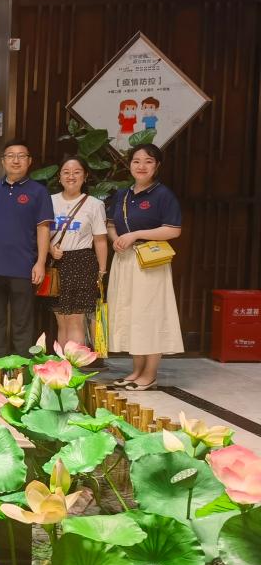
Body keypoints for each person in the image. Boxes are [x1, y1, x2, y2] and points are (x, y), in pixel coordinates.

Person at [107, 143, 182, 391]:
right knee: (132, 315)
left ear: (157, 166)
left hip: (150, 261)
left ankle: (150, 374)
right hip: (124, 259)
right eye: (136, 161)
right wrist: (116, 239)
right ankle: (137, 370)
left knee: (149, 315)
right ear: (129, 165)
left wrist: (136, 234)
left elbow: (173, 230)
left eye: (148, 161)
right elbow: (110, 223)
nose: (141, 166)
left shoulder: (163, 195)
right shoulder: (122, 194)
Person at [0, 140, 53, 358]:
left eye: (21, 156)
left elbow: (43, 229)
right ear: (2, 161)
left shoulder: (39, 192)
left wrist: (40, 262)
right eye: (10, 156)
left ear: (29, 161)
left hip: (24, 267)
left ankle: (21, 367)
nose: (16, 160)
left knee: (22, 321)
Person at [48, 155, 108, 348]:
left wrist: (102, 270)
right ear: (59, 177)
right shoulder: (49, 201)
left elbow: (100, 240)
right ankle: (62, 365)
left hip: (82, 263)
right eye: (66, 172)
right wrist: (50, 249)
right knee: (61, 320)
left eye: (76, 172)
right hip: (56, 265)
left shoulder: (94, 204)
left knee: (75, 319)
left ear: (85, 176)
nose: (71, 176)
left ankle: (75, 364)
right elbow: (40, 233)